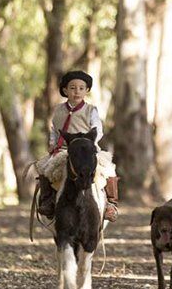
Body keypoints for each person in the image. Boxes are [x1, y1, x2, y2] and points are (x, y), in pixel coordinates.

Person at [35, 70, 120, 221]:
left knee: (108, 168)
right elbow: (55, 130)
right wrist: (53, 144)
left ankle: (111, 205)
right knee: (45, 167)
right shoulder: (58, 111)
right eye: (72, 88)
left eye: (81, 88)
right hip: (64, 150)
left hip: (87, 149)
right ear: (65, 90)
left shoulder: (91, 110)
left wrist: (89, 144)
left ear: (87, 90)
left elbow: (97, 129)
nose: (77, 91)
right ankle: (48, 201)